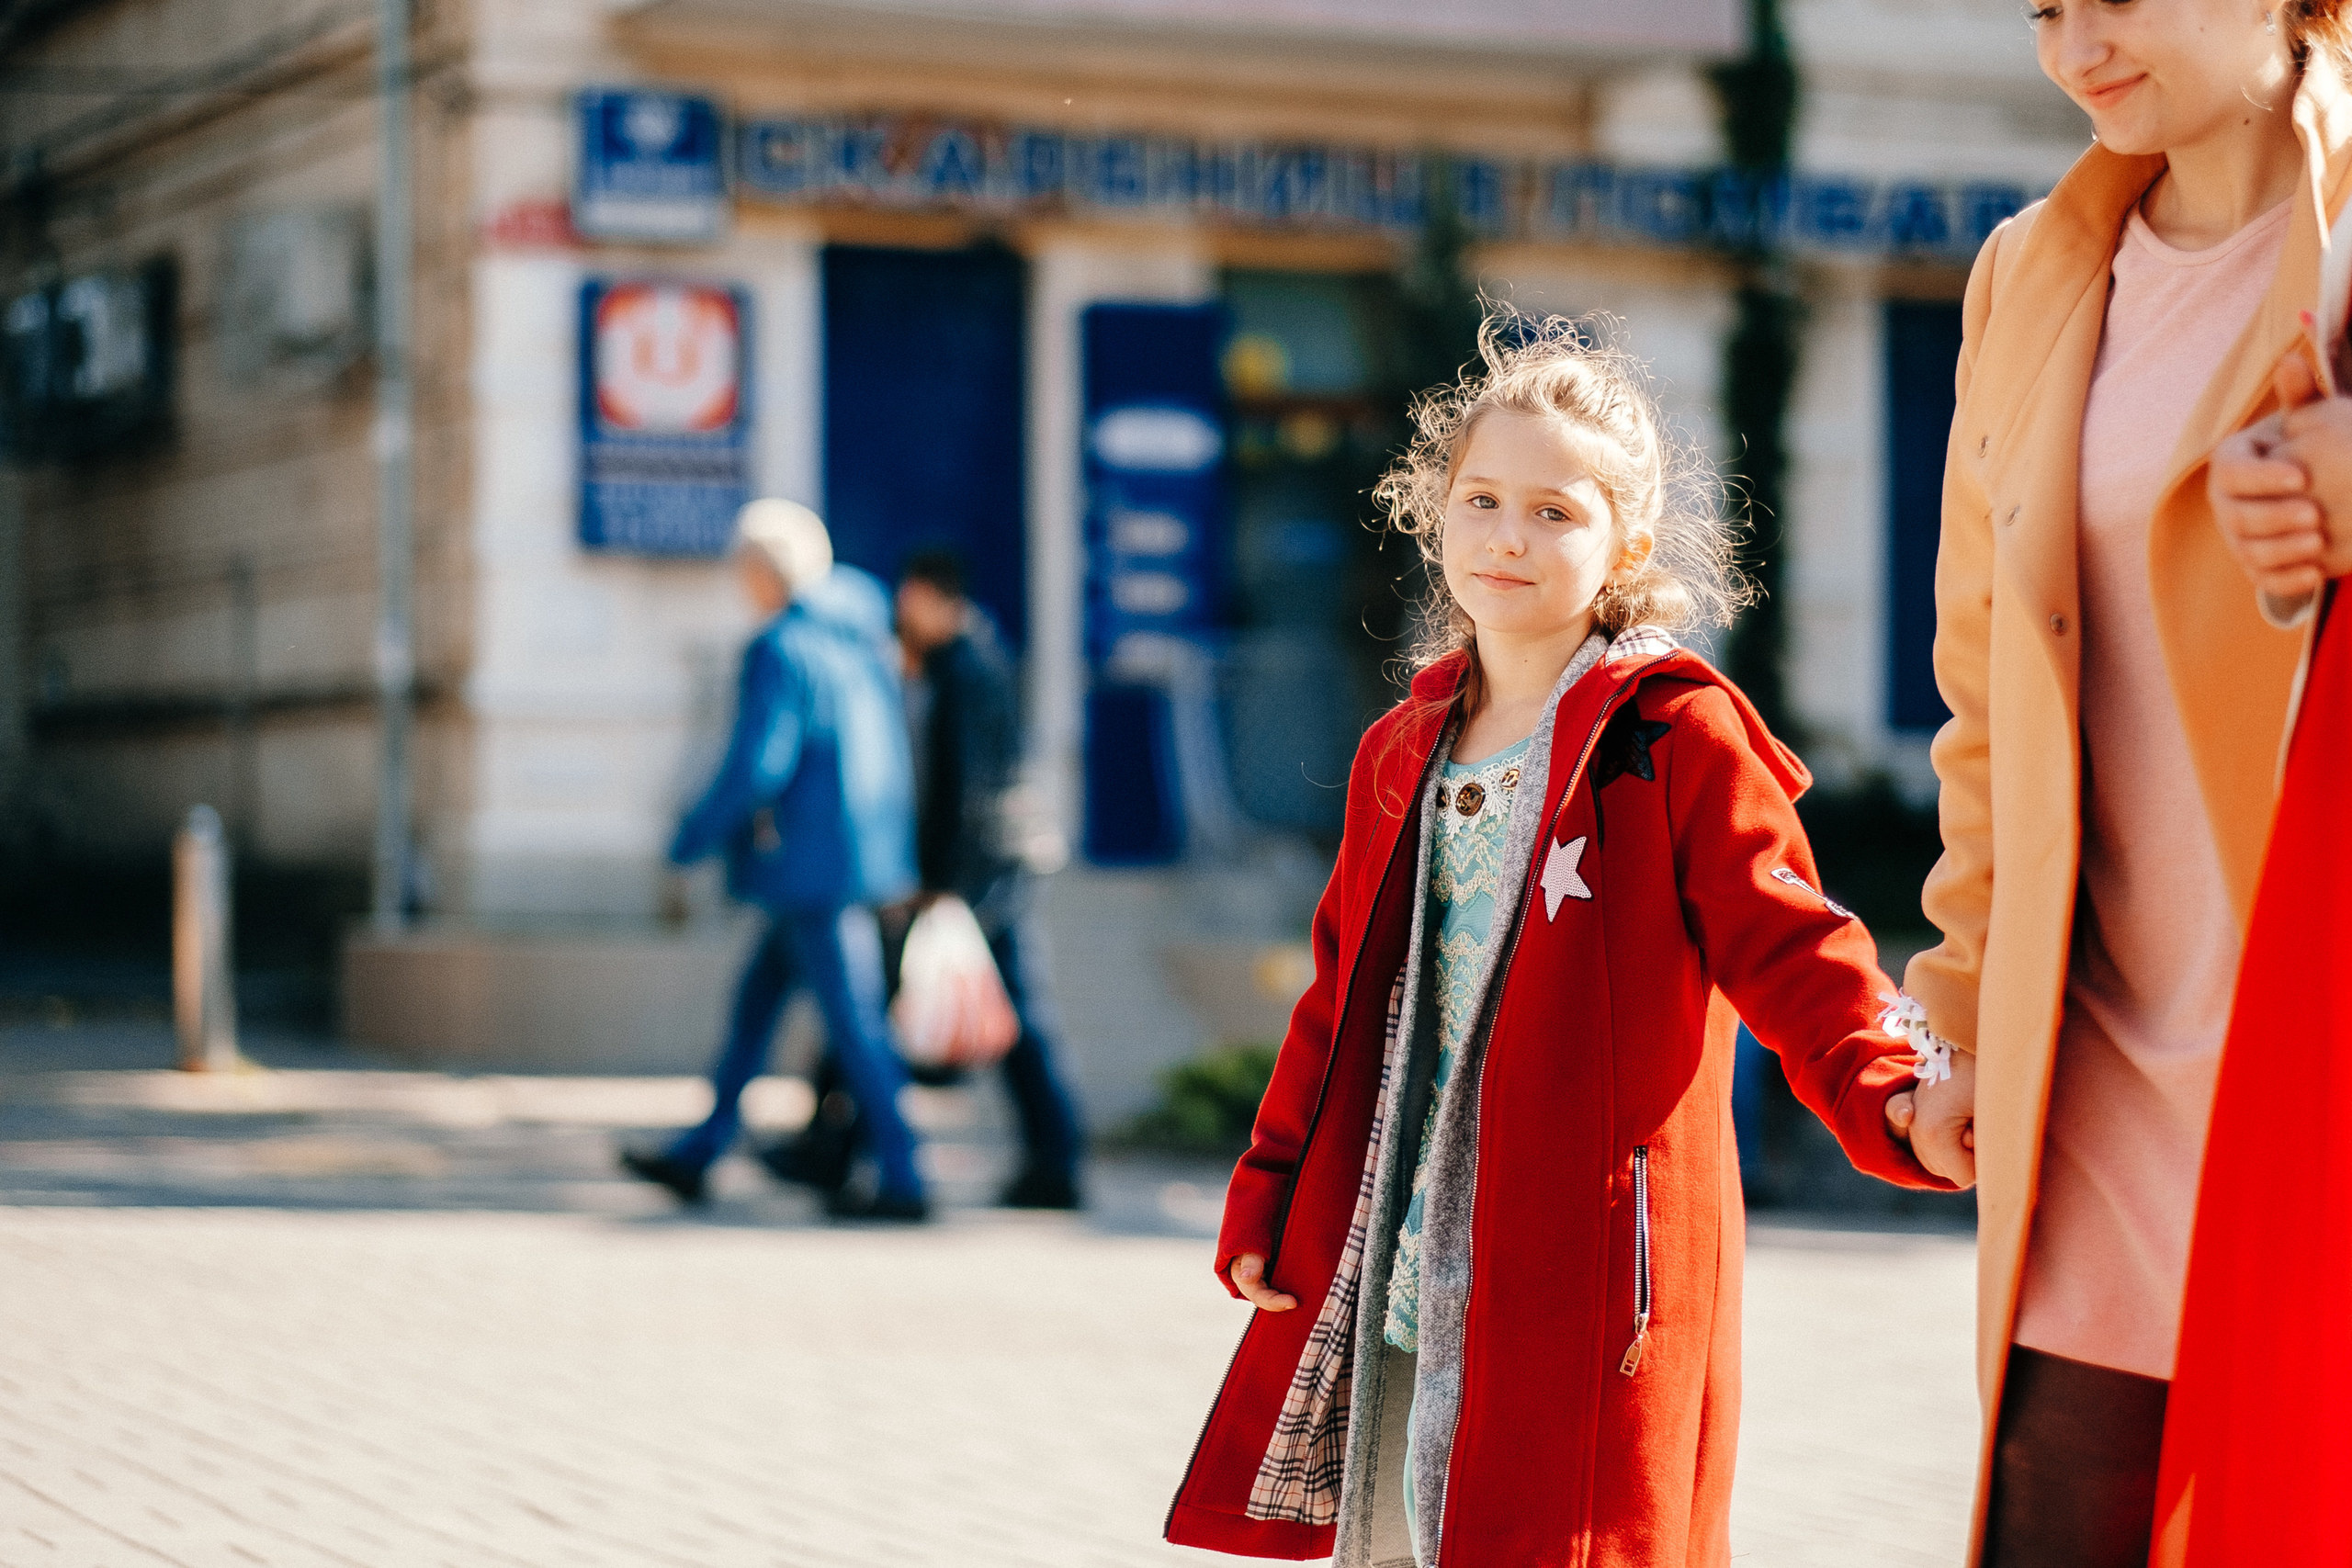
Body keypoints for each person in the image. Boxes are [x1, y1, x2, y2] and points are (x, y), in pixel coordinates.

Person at [1164, 312, 1949, 1566]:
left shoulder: (1675, 736)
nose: (1509, 537)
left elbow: (1797, 947)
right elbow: (1336, 1000)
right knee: (1406, 1532)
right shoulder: (1398, 750)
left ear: (1625, 540)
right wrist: (1271, 1186)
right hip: (1411, 1252)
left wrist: (1896, 1091)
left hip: (1586, 1267)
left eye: (1554, 511)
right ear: (1436, 514)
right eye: (1482, 499)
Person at [1893, 6, 2352, 1563]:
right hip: (2093, 1069)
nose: (2077, 42)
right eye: (2040, 8)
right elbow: (1983, 685)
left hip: (2312, 1063)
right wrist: (1956, 1004)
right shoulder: (2031, 271)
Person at [619, 499, 931, 1223]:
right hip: (859, 855)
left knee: (854, 1025)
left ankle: (906, 1174)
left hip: (810, 867)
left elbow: (760, 763)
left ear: (764, 571)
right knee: (754, 1010)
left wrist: (690, 838)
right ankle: (700, 1150)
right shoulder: (861, 639)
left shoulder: (781, 647)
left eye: (743, 568)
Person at [770, 549, 1088, 1210]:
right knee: (896, 1002)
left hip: (980, 875)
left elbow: (965, 790)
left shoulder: (964, 671)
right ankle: (835, 1148)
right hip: (983, 869)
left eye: (908, 603)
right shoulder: (967, 660)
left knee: (966, 1010)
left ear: (926, 597)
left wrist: (938, 885)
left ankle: (853, 1154)